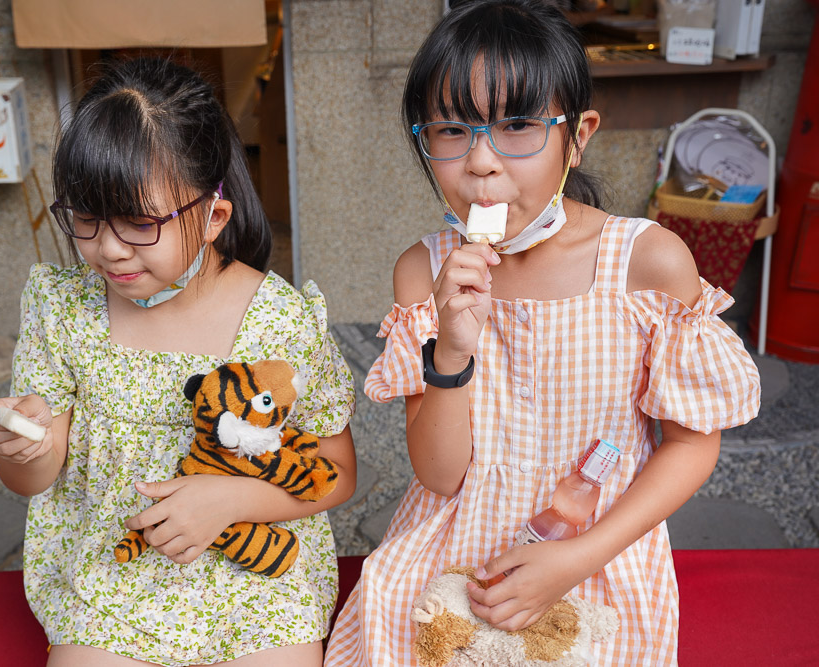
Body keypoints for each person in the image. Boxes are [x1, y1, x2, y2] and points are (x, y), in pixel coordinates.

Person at [324, 1, 760, 664]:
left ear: (578, 135)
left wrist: (573, 559)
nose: (481, 163)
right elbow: (439, 476)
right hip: (455, 545)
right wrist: (453, 348)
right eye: (450, 130)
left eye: (518, 125)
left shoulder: (647, 260)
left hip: (598, 547)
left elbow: (692, 447)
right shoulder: (424, 270)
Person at [0, 56, 356, 667]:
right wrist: (17, 448)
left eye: (138, 223)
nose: (107, 248)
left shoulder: (280, 321)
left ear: (213, 216)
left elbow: (336, 469)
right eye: (87, 218)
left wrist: (230, 499)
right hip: (112, 569)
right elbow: (34, 480)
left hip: (254, 575)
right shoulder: (64, 309)